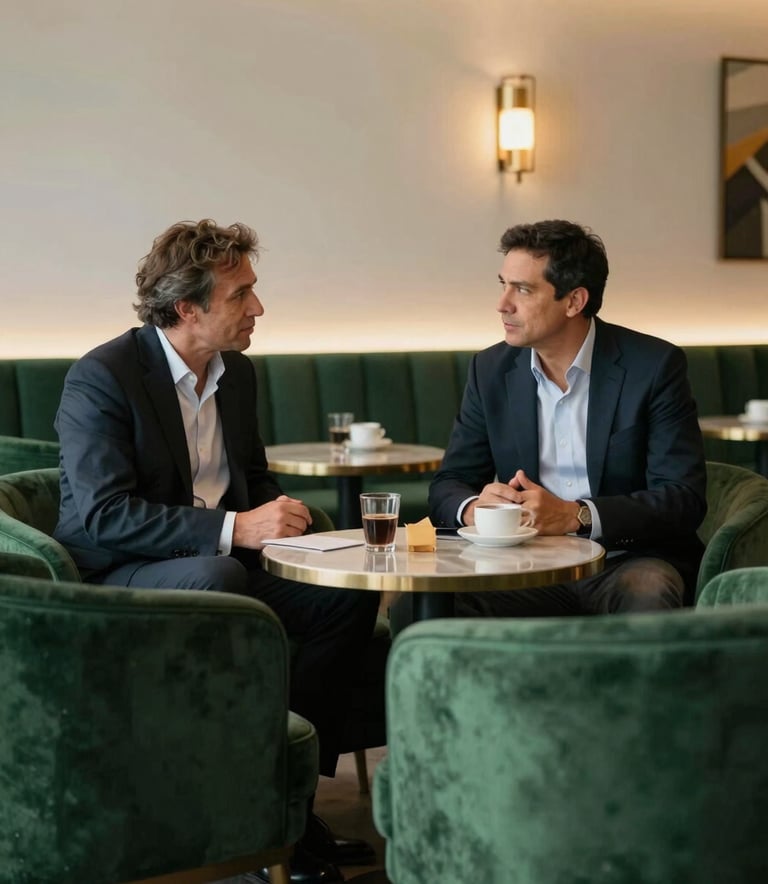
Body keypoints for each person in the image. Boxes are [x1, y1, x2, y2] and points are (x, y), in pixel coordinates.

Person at [54, 219, 379, 884]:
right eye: (241, 295)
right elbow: (103, 514)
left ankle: (290, 807)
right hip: (116, 577)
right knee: (219, 569)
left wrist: (290, 522)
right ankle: (221, 816)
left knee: (345, 590)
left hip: (221, 566)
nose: (258, 308)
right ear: (187, 308)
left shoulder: (238, 375)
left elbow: (251, 481)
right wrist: (238, 529)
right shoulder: (103, 376)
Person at [429, 219, 707, 616]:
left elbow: (683, 499)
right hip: (527, 565)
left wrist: (576, 515)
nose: (502, 304)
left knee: (647, 589)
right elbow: (447, 485)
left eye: (522, 289)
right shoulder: (490, 370)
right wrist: (474, 506)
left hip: (627, 560)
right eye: (503, 284)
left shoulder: (654, 366)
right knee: (423, 604)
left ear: (574, 301)